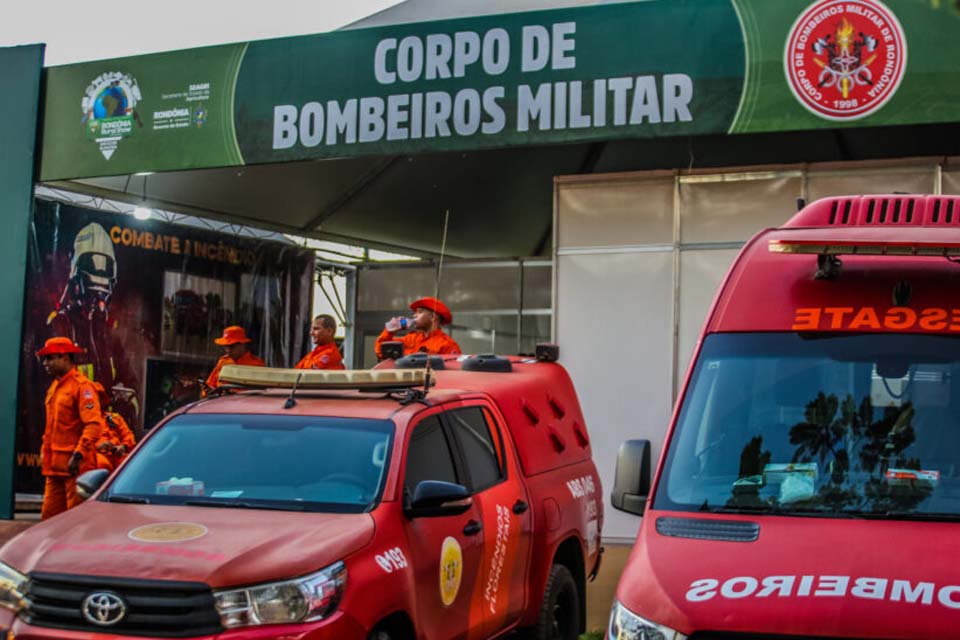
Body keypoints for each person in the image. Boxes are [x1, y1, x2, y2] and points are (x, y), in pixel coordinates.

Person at [37, 337, 104, 520]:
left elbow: (94, 424)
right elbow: (51, 427)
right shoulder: (55, 387)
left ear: (65, 358)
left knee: (75, 522)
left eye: (50, 358)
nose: (46, 363)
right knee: (49, 520)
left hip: (75, 470)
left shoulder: (82, 387)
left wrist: (78, 454)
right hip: (54, 469)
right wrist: (45, 451)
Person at [375, 296, 461, 359]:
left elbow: (453, 373)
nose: (414, 315)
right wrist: (389, 331)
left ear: (432, 317)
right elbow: (381, 351)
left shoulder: (447, 345)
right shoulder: (411, 339)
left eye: (420, 312)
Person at [204, 326, 266, 392]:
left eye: (231, 346)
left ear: (242, 344)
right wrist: (207, 391)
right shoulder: (223, 361)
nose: (228, 350)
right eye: (225, 346)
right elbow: (210, 384)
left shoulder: (257, 364)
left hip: (244, 401)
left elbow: (263, 391)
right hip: (221, 400)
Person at [92, 382, 137, 472]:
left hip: (117, 454)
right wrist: (97, 447)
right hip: (97, 456)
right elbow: (79, 444)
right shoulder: (84, 420)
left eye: (99, 397)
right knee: (102, 465)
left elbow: (128, 435)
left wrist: (124, 446)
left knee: (133, 466)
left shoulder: (112, 417)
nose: (97, 400)